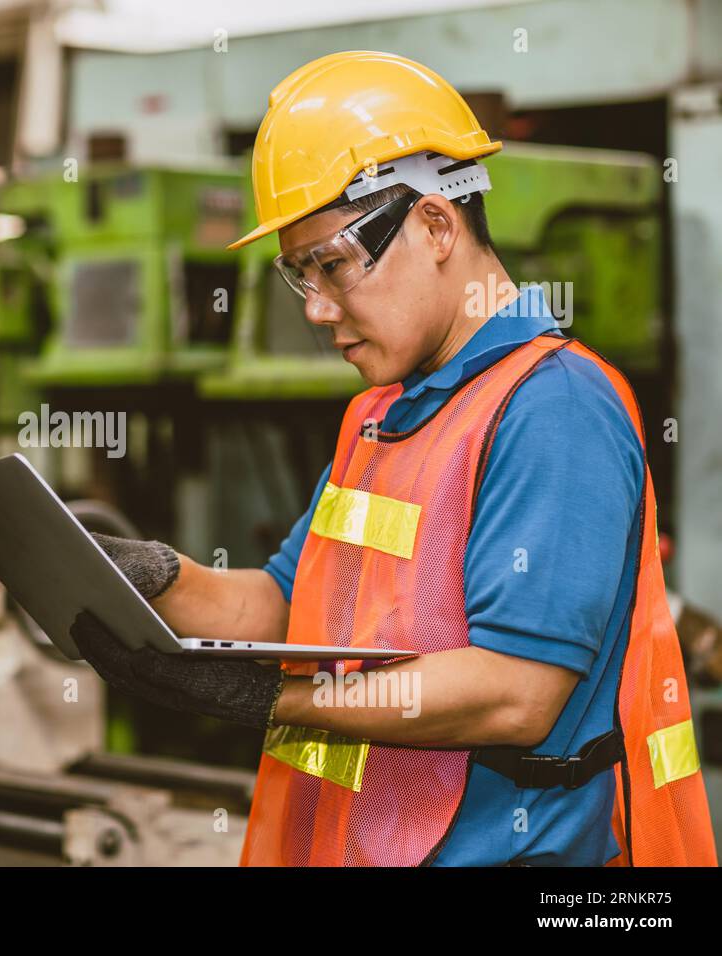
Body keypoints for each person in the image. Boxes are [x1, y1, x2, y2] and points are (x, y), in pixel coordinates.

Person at [71, 50, 716, 867]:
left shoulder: (554, 407)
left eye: (333, 264)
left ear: (437, 224)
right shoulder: (380, 416)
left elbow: (517, 695)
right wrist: (151, 579)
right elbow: (286, 603)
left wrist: (278, 697)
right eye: (297, 272)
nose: (313, 305)